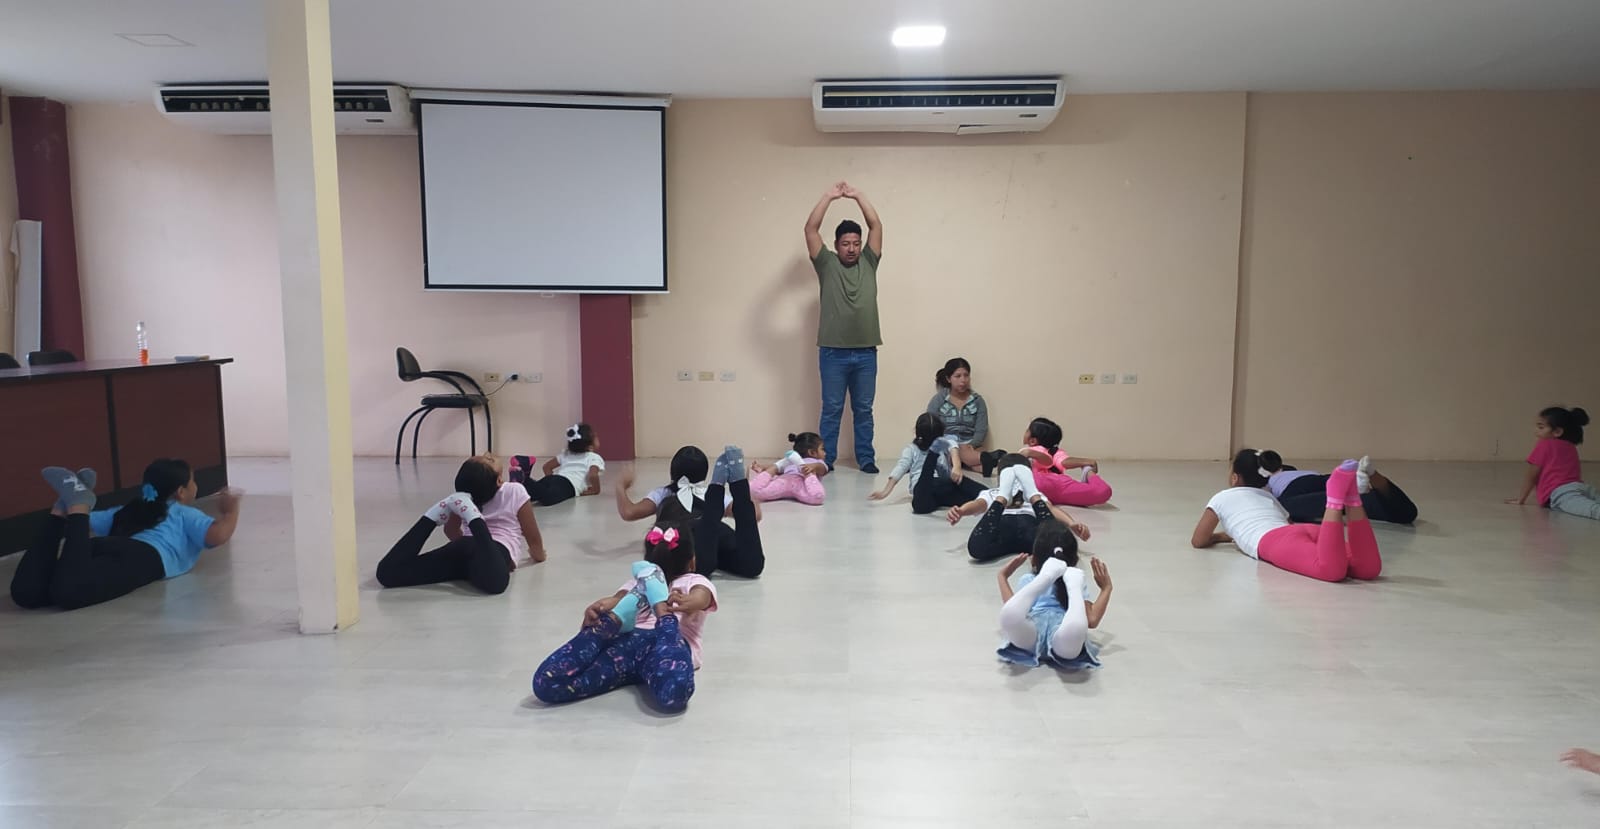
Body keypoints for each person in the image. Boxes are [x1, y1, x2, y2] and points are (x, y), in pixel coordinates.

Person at [531, 507, 716, 713]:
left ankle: (624, 619)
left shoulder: (688, 581)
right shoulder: (680, 580)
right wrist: (603, 608)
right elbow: (616, 599)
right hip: (659, 644)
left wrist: (689, 602)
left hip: (629, 647)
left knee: (547, 682)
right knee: (674, 694)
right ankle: (656, 615)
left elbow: (701, 597)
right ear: (692, 561)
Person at [11, 460, 241, 611]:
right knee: (70, 593)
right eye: (193, 482)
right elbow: (217, 535)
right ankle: (78, 502)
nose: (195, 487)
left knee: (27, 593)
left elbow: (84, 523)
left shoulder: (130, 509)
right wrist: (231, 511)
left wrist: (77, 515)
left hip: (103, 547)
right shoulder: (182, 512)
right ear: (181, 492)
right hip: (143, 557)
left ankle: (63, 508)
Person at [1191, 450, 1381, 583]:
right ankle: (1352, 498)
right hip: (1301, 530)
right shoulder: (1268, 497)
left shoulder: (1221, 497)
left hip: (1273, 541)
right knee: (1367, 568)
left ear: (1234, 478)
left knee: (1331, 570)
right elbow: (1289, 523)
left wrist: (1219, 537)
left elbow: (1199, 540)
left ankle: (1334, 498)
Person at [376, 454, 545, 595]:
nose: (487, 454)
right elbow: (534, 540)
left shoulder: (462, 499)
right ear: (500, 480)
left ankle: (430, 517)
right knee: (496, 583)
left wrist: (465, 546)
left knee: (388, 574)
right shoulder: (514, 490)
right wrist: (539, 556)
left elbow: (450, 530)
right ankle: (475, 518)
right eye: (489, 460)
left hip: (461, 548)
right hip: (495, 549)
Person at [804, 180, 884, 473]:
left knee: (863, 410)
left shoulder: (869, 262)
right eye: (846, 244)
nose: (851, 249)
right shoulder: (826, 263)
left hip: (866, 352)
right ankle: (825, 461)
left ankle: (866, 459)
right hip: (833, 352)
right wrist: (828, 197)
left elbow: (876, 225)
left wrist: (858, 196)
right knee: (832, 409)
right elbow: (810, 229)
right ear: (836, 245)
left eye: (856, 243)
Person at [616, 445, 766, 578]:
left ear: (672, 472)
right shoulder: (704, 492)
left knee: (702, 567)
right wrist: (747, 490)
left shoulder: (663, 493)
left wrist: (621, 486)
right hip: (718, 537)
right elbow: (755, 515)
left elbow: (629, 512)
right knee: (752, 566)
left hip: (689, 541)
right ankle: (732, 485)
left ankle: (717, 488)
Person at [995, 520, 1112, 670]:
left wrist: (1002, 577)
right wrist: (1106, 588)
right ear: (1075, 559)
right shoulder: (1075, 578)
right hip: (1060, 638)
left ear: (1034, 559)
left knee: (1011, 617)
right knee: (1074, 630)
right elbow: (1092, 620)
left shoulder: (1029, 579)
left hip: (1038, 634)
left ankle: (1047, 579)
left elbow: (1013, 608)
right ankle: (1072, 591)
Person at [948, 458, 1090, 562]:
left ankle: (1031, 493)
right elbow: (978, 504)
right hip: (1000, 528)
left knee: (1060, 548)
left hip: (1031, 529)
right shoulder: (991, 493)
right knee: (976, 550)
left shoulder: (1039, 496)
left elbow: (1051, 509)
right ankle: (1003, 497)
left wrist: (1071, 523)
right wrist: (961, 511)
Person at [868, 413, 986, 514]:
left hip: (939, 487)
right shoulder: (915, 449)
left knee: (921, 506)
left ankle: (989, 493)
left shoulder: (914, 448)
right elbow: (952, 444)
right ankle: (932, 456)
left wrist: (957, 467)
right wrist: (956, 466)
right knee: (977, 493)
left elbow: (900, 468)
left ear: (916, 432)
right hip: (930, 486)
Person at [1259, 451, 1419, 525]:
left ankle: (1348, 489)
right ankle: (1370, 474)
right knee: (1407, 514)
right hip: (1322, 478)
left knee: (1284, 507)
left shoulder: (1265, 479)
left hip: (1293, 488)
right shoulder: (1289, 469)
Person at [1507, 406, 1597, 520]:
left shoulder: (1544, 444)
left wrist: (1521, 499)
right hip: (1582, 487)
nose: (1536, 431)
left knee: (1592, 510)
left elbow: (1532, 475)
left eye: (1541, 427)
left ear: (1557, 431)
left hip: (1561, 492)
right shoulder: (1570, 446)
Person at [927, 357, 1004, 476]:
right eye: (957, 376)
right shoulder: (939, 400)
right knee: (957, 449)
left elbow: (981, 429)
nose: (963, 380)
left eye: (966, 375)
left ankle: (982, 463)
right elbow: (930, 425)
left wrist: (971, 445)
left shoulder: (977, 400)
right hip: (947, 444)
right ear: (948, 379)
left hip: (970, 444)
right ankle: (986, 458)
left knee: (977, 459)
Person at [1018, 417, 1113, 507]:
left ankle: (1088, 472)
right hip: (1055, 487)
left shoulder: (1035, 451)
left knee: (1103, 491)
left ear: (1033, 441)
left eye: (1027, 430)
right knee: (1102, 491)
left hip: (1056, 485)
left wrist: (1086, 464)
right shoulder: (1035, 452)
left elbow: (1062, 462)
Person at [521, 423, 603, 506]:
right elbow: (593, 475)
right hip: (568, 485)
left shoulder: (566, 454)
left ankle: (523, 479)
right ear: (589, 446)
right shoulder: (594, 457)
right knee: (548, 499)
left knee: (530, 494)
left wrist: (550, 480)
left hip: (553, 478)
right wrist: (595, 490)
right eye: (595, 437)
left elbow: (547, 467)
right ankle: (526, 478)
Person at [750, 432, 829, 505]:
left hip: (802, 485)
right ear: (812, 452)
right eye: (822, 449)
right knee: (754, 491)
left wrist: (812, 467)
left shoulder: (818, 462)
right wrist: (763, 467)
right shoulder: (791, 461)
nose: (825, 453)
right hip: (785, 481)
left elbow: (823, 469)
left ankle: (801, 467)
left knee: (818, 497)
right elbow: (781, 471)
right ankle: (776, 466)